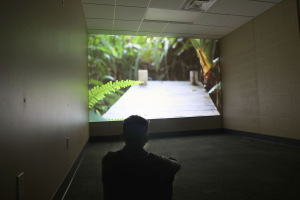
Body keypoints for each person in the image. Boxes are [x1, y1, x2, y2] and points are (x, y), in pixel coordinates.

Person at [102, 115, 181, 200]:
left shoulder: (108, 159)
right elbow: (177, 166)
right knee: (168, 172)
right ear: (146, 138)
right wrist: (171, 160)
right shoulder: (158, 162)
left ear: (122, 136)